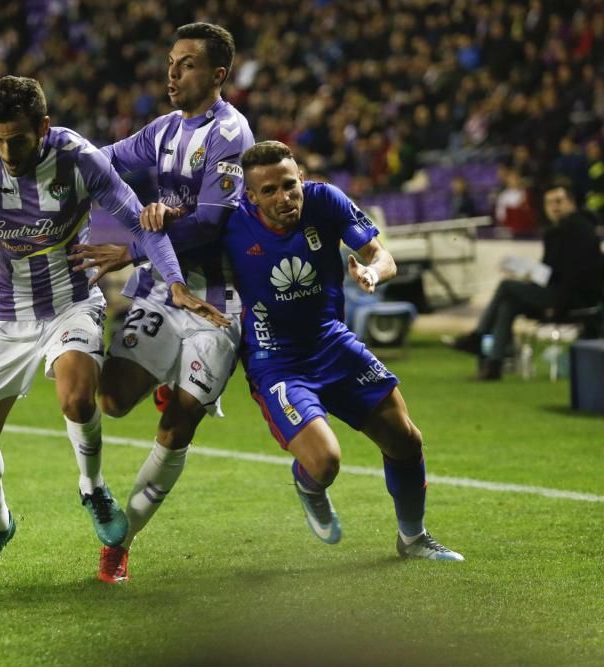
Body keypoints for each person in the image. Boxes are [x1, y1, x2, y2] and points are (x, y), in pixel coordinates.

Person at [0, 75, 225, 575]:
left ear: (44, 127)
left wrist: (175, 280)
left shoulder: (78, 158)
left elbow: (141, 220)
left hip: (70, 303)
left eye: (19, 138)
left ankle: (93, 489)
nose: (7, 150)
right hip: (3, 317)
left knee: (78, 397)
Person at [67, 22, 254, 584]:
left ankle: (121, 541)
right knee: (112, 398)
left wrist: (132, 246)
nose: (173, 74)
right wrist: (43, 166)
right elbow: (98, 163)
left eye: (187, 64)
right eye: (171, 62)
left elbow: (209, 223)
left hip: (215, 301)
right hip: (159, 287)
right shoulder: (164, 130)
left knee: (177, 429)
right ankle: (164, 378)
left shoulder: (231, 135)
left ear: (217, 75)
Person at [223, 140, 464, 561]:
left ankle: (413, 538)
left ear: (301, 178)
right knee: (325, 461)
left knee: (405, 440)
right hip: (275, 360)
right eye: (269, 191)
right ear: (250, 196)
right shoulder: (228, 225)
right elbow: (172, 241)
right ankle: (308, 483)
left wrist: (372, 271)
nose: (284, 198)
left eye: (289, 185)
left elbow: (380, 254)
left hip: (332, 342)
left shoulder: (326, 201)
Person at [450, 180, 604, 379]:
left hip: (572, 300)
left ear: (571, 203)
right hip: (558, 295)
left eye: (559, 201)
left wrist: (558, 307)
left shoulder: (576, 229)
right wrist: (528, 274)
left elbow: (577, 276)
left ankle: (478, 337)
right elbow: (551, 273)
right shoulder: (561, 231)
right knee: (509, 303)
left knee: (506, 286)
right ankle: (493, 365)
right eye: (550, 203)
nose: (554, 207)